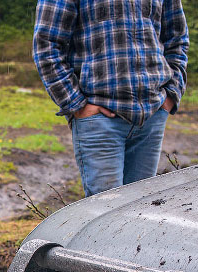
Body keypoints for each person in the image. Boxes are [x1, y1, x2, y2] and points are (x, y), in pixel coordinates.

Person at [33, 0, 189, 196]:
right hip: (98, 120)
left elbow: (178, 38)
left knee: (141, 209)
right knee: (104, 212)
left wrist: (171, 96)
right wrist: (76, 105)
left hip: (152, 117)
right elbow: (46, 46)